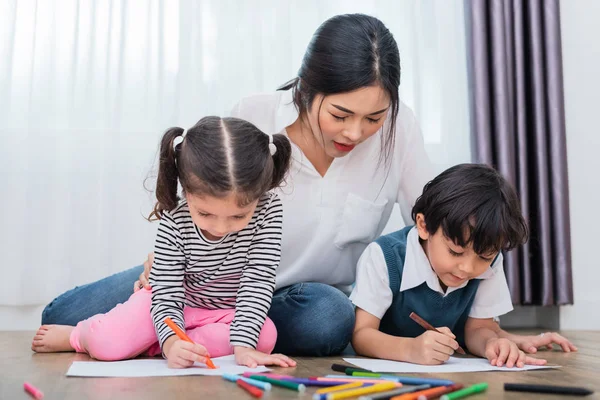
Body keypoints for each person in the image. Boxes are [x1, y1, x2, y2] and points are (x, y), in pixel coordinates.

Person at [38, 14, 569, 356]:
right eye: (341, 114)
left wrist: (491, 331)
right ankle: (182, 330)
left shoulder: (401, 130)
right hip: (208, 269)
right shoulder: (256, 114)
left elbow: (437, 224)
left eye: (373, 117)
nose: (356, 133)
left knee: (328, 321)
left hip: (297, 296)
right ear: (307, 88)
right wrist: (161, 268)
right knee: (62, 319)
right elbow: (206, 195)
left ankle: (193, 337)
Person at [32, 116, 296, 369]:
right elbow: (167, 291)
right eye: (205, 214)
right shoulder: (175, 215)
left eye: (238, 216)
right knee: (105, 345)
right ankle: (78, 336)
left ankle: (153, 345)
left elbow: (258, 280)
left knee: (263, 337)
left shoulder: (269, 209)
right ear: (186, 190)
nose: (220, 227)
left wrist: (244, 346)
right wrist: (171, 339)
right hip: (171, 303)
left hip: (224, 313)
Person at [350, 164, 577, 367]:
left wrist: (492, 343)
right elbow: (361, 334)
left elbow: (478, 329)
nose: (468, 268)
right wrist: (410, 350)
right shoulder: (383, 256)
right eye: (455, 252)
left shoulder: (491, 262)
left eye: (484, 257)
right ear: (423, 225)